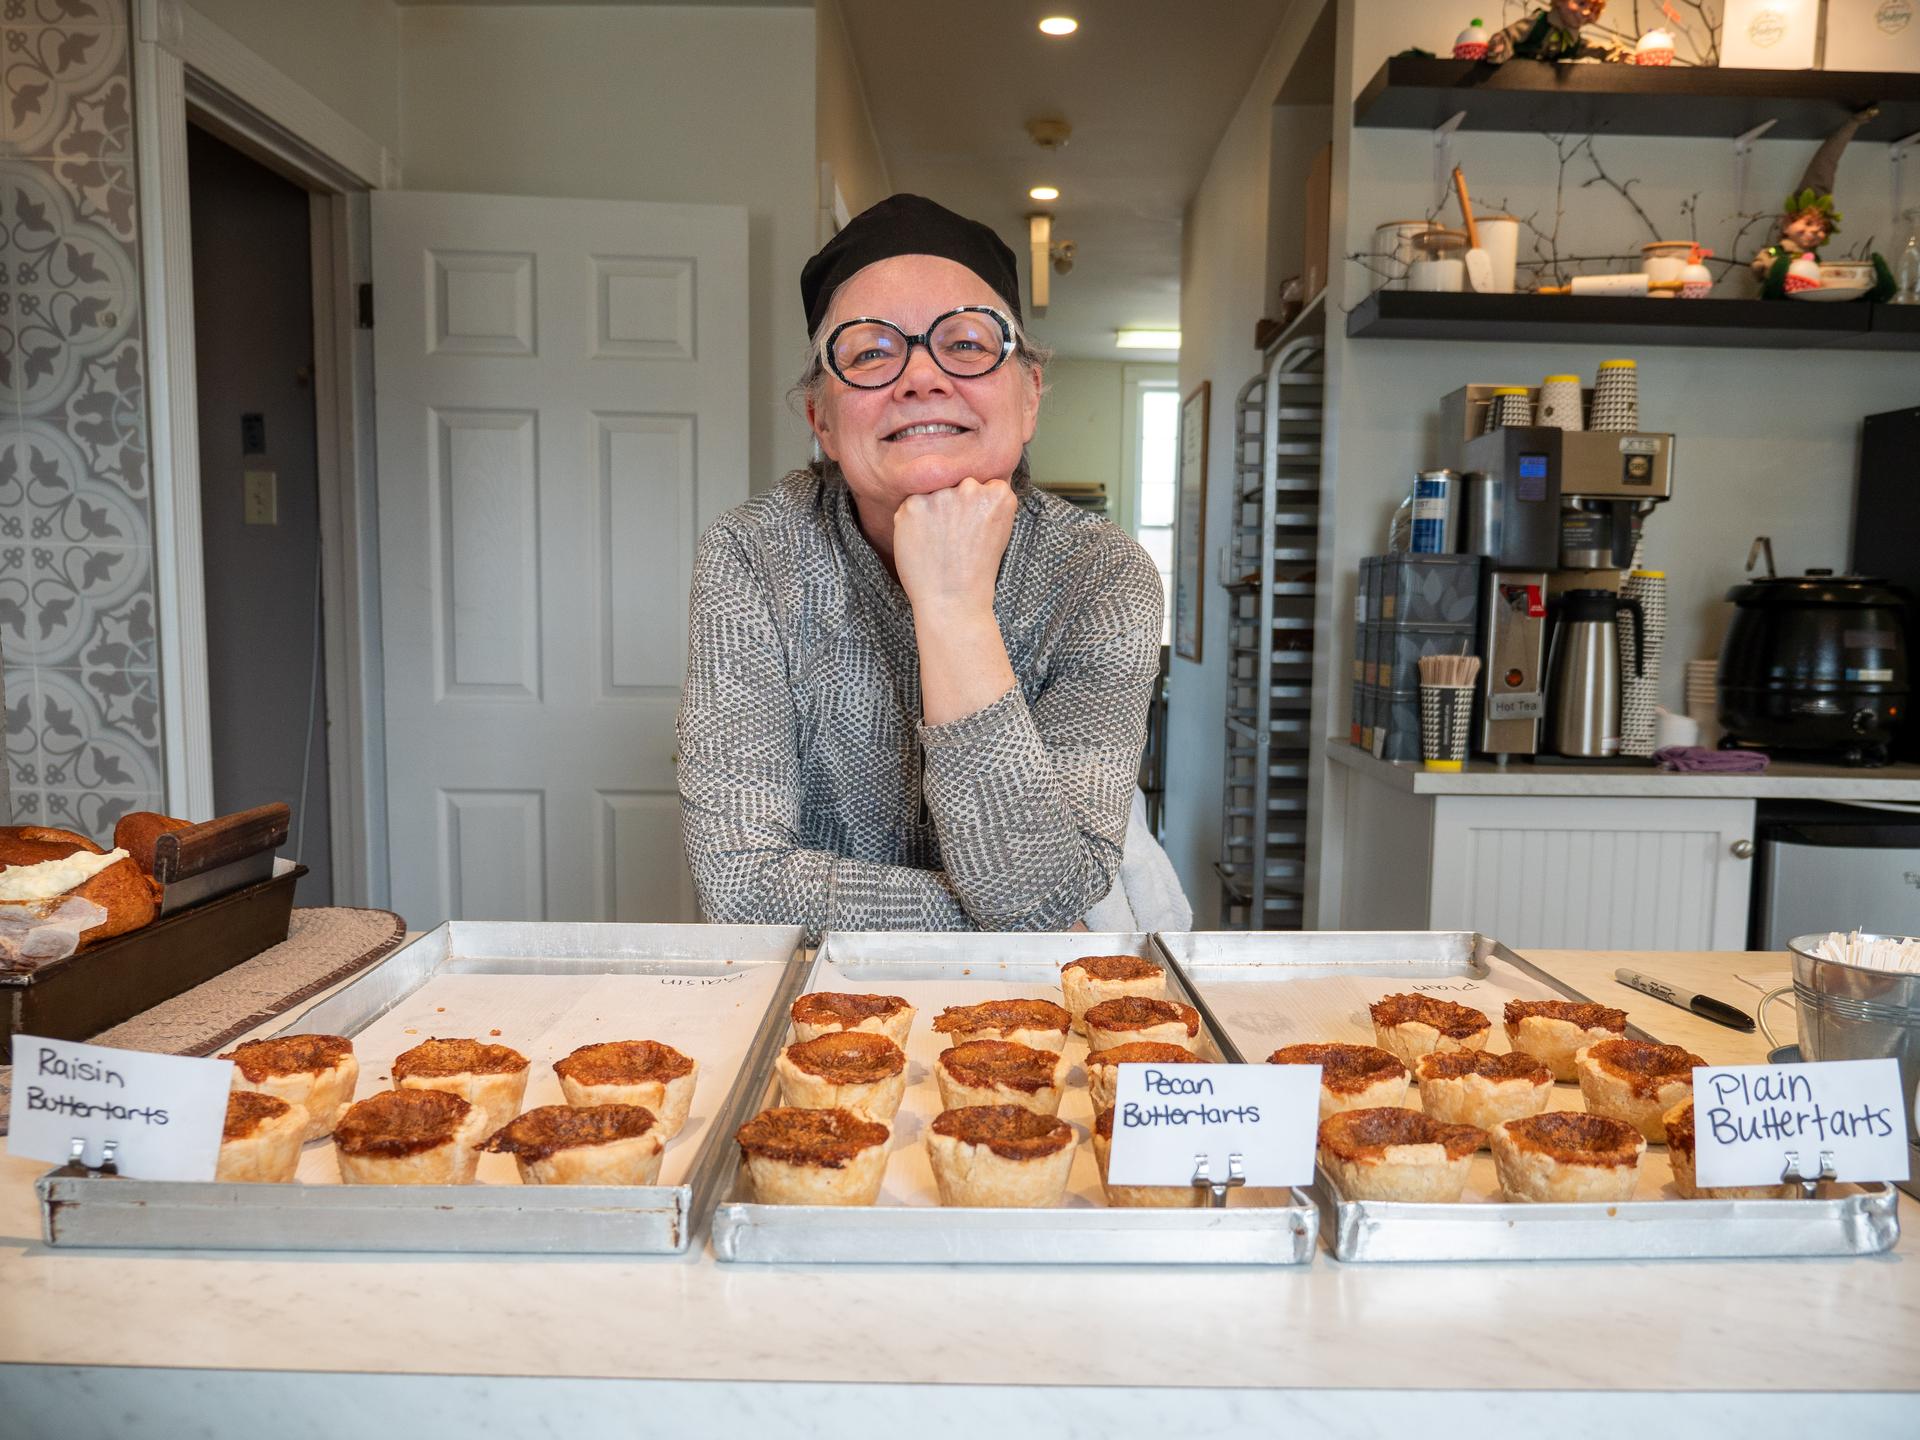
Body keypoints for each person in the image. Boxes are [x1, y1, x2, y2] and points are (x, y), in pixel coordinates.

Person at [676, 194, 1163, 934]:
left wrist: (953, 606)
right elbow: (742, 887)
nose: (921, 378)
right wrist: (999, 917)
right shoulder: (753, 554)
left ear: (1030, 396)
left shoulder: (1101, 574)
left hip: (1025, 1014)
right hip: (817, 1010)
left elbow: (1039, 898)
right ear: (823, 423)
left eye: (967, 344)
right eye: (871, 352)